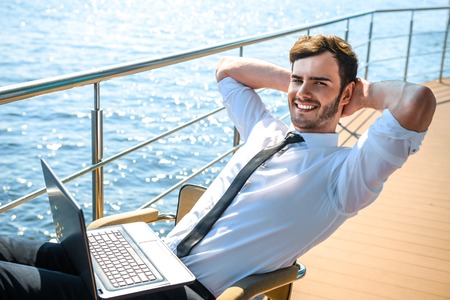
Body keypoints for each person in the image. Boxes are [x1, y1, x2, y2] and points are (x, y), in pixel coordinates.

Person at [0, 34, 436, 300]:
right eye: (298, 79)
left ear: (346, 96)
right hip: (149, 261)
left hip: (182, 293)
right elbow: (227, 71)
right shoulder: (265, 130)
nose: (303, 91)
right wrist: (303, 86)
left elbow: (418, 101)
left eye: (321, 83)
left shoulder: (348, 176)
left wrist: (358, 93)